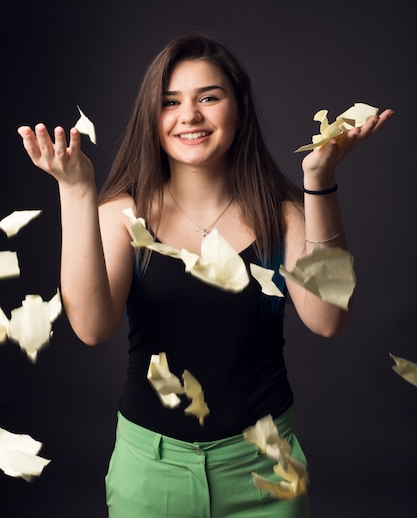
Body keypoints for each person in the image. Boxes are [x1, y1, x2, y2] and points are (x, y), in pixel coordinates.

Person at [18, 32, 393, 518]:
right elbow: (91, 327)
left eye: (208, 98)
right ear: (152, 120)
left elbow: (328, 319)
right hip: (151, 472)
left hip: (267, 469)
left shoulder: (284, 216)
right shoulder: (121, 214)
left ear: (238, 109)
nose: (189, 115)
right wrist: (75, 190)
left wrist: (319, 182)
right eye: (170, 102)